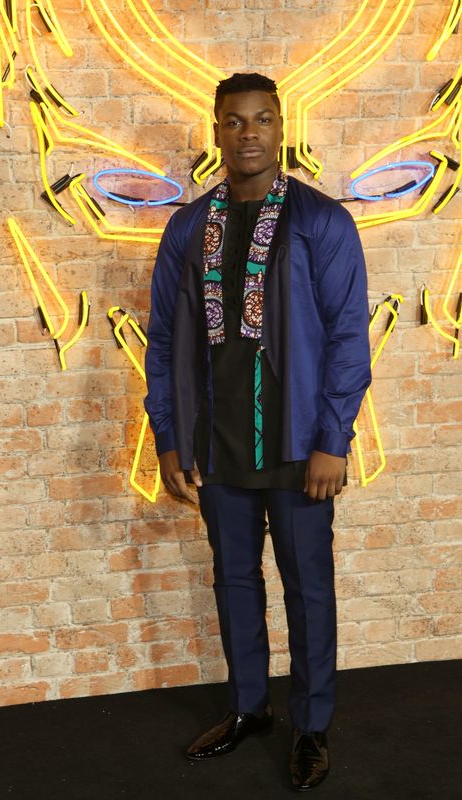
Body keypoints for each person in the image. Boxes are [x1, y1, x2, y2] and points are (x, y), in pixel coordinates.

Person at [144, 72, 371, 792]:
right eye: (233, 121)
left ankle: (310, 724)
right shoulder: (186, 226)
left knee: (308, 588)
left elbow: (346, 336)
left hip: (300, 443)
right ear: (215, 132)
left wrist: (333, 439)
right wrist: (171, 437)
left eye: (262, 119)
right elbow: (160, 340)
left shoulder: (320, 220)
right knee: (233, 579)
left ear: (281, 128)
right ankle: (249, 708)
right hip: (218, 443)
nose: (248, 133)